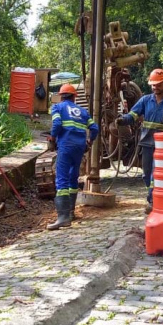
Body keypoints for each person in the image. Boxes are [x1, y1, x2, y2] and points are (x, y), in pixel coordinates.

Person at [116, 68, 163, 212]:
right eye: (153, 84)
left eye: (158, 84)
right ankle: (152, 194)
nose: (155, 87)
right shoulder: (145, 101)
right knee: (146, 173)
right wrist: (122, 120)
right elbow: (133, 115)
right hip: (147, 143)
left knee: (155, 172)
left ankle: (153, 200)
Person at [47, 83, 98, 230]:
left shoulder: (57, 107)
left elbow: (56, 123)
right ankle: (70, 212)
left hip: (66, 146)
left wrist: (52, 138)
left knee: (61, 178)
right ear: (74, 97)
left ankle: (63, 218)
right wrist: (90, 140)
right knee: (73, 176)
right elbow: (94, 128)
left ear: (61, 96)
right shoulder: (83, 111)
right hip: (79, 148)